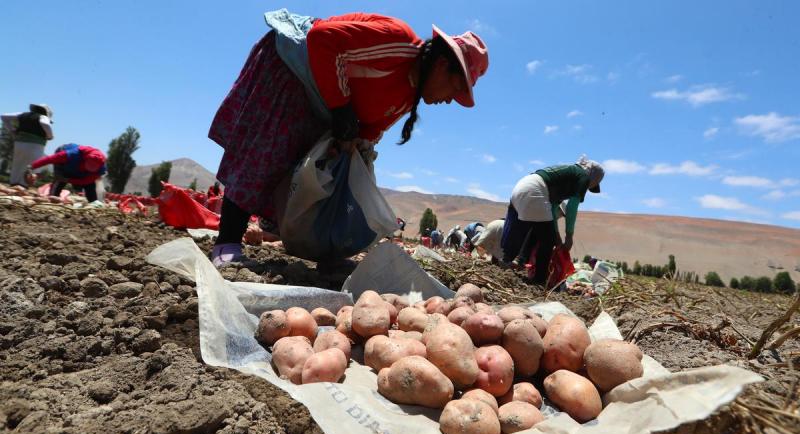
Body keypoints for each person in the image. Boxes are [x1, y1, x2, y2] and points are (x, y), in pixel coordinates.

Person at [207, 9, 489, 269]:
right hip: (295, 70)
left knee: (325, 170)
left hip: (321, 102)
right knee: (267, 151)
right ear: (441, 65)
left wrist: (349, 153)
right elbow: (322, 40)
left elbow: (367, 132)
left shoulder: (406, 99)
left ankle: (326, 252)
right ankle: (226, 243)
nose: (451, 100)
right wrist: (342, 109)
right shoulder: (399, 43)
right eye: (455, 87)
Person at [501, 156, 604, 285]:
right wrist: (569, 237)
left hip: (521, 186)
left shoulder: (566, 176)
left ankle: (505, 262)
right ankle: (539, 281)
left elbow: (552, 213)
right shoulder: (583, 176)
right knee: (547, 241)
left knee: (526, 229)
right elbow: (572, 207)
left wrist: (558, 237)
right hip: (536, 190)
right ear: (594, 177)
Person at [29, 143, 107, 202]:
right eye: (90, 164)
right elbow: (49, 159)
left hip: (78, 171)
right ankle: (53, 197)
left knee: (90, 186)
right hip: (65, 158)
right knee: (60, 179)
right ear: (85, 160)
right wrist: (32, 166)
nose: (91, 167)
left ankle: (93, 203)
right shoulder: (71, 155)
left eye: (94, 166)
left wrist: (70, 180)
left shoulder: (100, 168)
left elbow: (88, 181)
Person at [2, 104, 54, 187]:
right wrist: (50, 136)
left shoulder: (22, 114)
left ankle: (13, 183)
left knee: (17, 164)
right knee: (31, 166)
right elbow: (46, 124)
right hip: (36, 145)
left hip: (19, 143)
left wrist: (12, 130)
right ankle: (23, 186)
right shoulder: (43, 117)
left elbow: (4, 116)